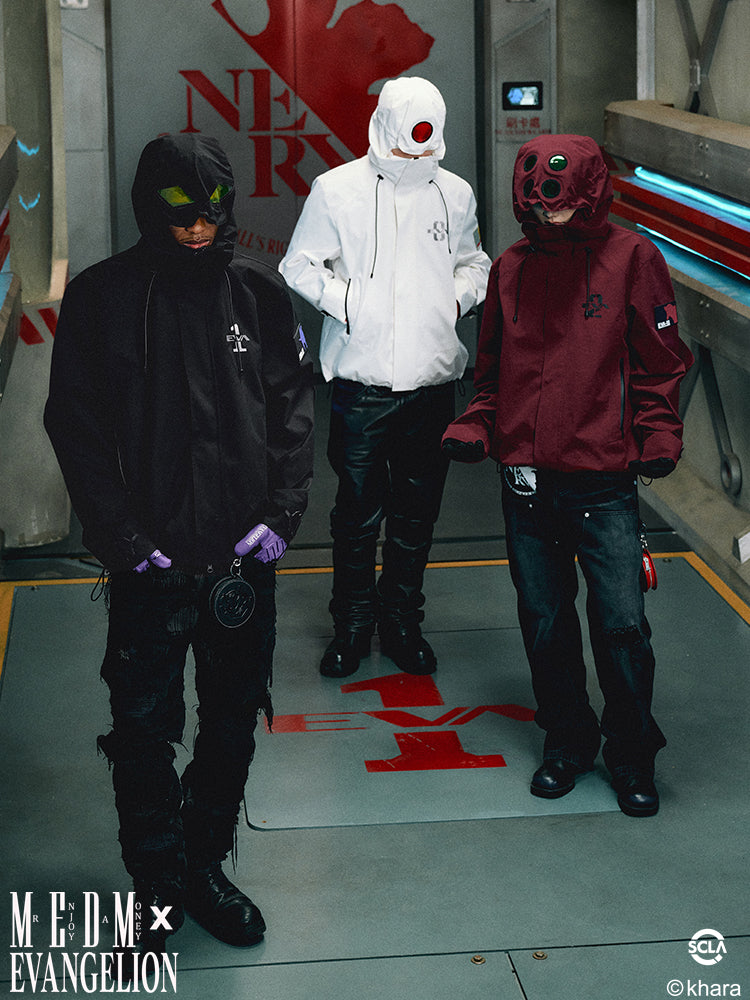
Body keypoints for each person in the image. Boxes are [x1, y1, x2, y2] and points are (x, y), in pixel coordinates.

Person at [44, 133, 314, 968]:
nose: (199, 232)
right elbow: (76, 427)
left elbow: (291, 411)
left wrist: (282, 515)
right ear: (150, 210)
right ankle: (156, 890)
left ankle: (202, 871)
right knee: (142, 734)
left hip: (240, 566)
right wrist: (121, 539)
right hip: (151, 567)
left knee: (231, 723)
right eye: (183, 218)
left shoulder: (258, 295)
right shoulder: (103, 299)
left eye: (211, 216)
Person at [442, 134, 693, 817]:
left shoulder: (633, 258)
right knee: (545, 622)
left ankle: (632, 753)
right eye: (537, 204)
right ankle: (568, 740)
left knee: (622, 626)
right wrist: (478, 425)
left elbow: (660, 362)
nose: (548, 213)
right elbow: (491, 374)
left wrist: (659, 434)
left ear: (588, 193)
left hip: (602, 482)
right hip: (527, 486)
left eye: (560, 202)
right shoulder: (510, 268)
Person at [279, 76, 491, 679]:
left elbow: (476, 263)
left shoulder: (455, 194)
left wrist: (453, 301)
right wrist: (351, 304)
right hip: (362, 385)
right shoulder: (336, 189)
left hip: (432, 382)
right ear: (383, 127)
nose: (410, 156)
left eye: (423, 147)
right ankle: (351, 625)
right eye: (403, 144)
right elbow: (298, 264)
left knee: (416, 514)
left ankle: (401, 623)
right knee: (356, 515)